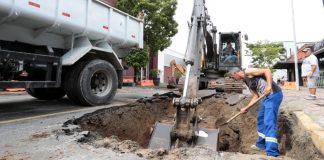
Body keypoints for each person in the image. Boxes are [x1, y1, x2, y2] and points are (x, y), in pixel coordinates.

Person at [228, 67, 283, 158]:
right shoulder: (246, 81)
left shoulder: (248, 72)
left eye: (232, 76)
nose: (232, 79)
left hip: (274, 94)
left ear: (236, 73)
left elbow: (267, 70)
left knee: (269, 122)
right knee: (261, 119)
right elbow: (255, 96)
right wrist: (246, 107)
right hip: (266, 98)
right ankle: (261, 144)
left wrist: (269, 86)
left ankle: (272, 152)